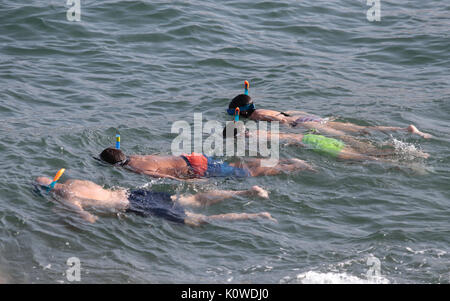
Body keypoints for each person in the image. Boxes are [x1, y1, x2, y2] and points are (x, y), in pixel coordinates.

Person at [35, 176, 276, 226]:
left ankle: (256, 216)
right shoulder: (77, 181)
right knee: (193, 199)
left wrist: (67, 218)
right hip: (134, 193)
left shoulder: (65, 195)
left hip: (132, 206)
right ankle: (246, 193)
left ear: (49, 190)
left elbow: (88, 218)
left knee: (196, 220)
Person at [227, 94, 432, 139]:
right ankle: (405, 129)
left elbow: (282, 120)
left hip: (301, 124)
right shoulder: (265, 109)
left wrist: (290, 128)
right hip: (309, 118)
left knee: (345, 137)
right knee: (358, 129)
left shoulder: (257, 116)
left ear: (241, 111)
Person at [223, 124, 429, 161]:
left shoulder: (251, 138)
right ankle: (402, 152)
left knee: (363, 158)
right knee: (368, 153)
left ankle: (404, 160)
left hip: (315, 143)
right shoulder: (258, 131)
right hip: (316, 138)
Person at [98, 148, 315, 180]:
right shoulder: (136, 157)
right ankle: (283, 160)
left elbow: (166, 178)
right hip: (190, 157)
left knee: (246, 174)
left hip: (197, 167)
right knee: (239, 165)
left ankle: (290, 166)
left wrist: (190, 183)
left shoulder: (136, 167)